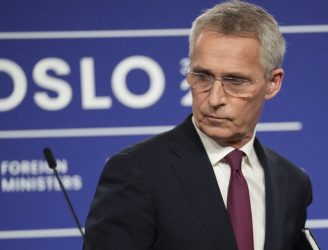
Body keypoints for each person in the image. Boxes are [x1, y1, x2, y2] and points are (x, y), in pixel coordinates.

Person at [84, 1, 315, 249]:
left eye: (235, 81)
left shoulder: (292, 183)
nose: (214, 99)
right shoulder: (138, 172)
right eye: (202, 76)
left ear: (273, 82)